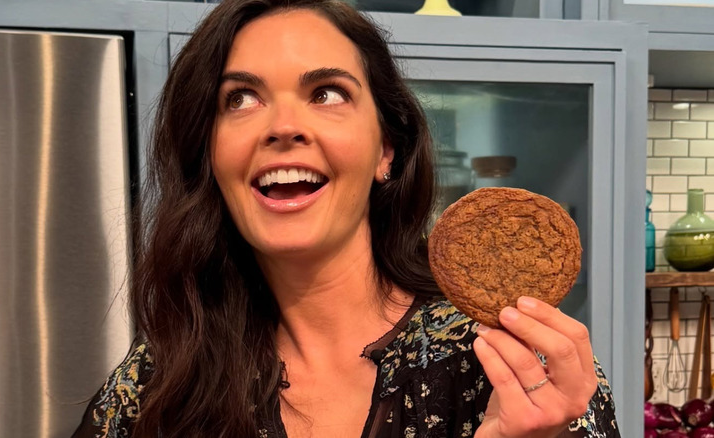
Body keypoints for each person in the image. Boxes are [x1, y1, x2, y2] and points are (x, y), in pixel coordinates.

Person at [73, 0, 619, 437]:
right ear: (209, 157)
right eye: (240, 99)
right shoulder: (157, 384)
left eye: (326, 93)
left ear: (387, 149)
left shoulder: (522, 376)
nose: (283, 126)